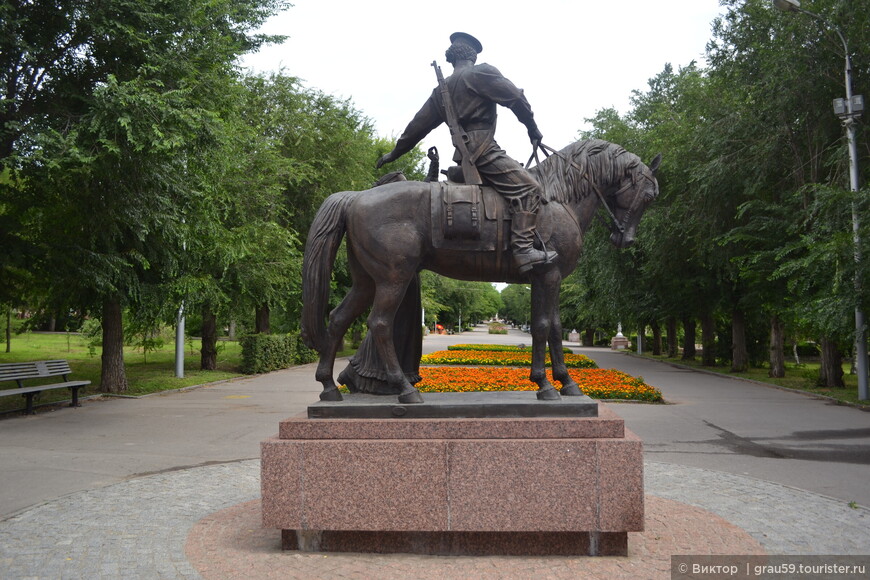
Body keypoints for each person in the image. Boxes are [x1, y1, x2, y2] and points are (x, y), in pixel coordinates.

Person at [377, 32, 557, 274]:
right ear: (472, 54)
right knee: (530, 188)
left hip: (464, 157)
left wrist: (395, 153)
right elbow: (517, 98)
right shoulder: (481, 73)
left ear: (452, 57)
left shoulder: (443, 89)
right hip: (484, 152)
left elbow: (416, 126)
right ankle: (523, 249)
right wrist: (533, 129)